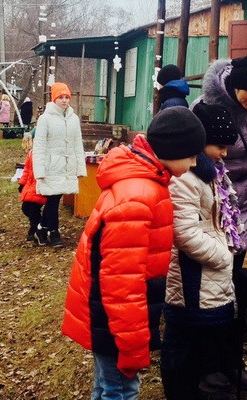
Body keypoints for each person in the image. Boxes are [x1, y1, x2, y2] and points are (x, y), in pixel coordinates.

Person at [61, 106, 207, 400]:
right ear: (173, 149)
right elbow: (122, 281)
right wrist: (131, 343)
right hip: (117, 323)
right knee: (122, 391)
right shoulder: (139, 195)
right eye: (191, 154)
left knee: (106, 386)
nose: (195, 162)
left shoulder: (148, 182)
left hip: (113, 318)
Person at [196, 51, 247, 392]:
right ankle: (205, 364)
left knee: (233, 289)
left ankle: (232, 361)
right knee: (208, 289)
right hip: (212, 210)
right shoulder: (204, 108)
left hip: (244, 213)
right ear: (233, 84)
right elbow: (189, 160)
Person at [161, 102, 240, 400]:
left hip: (205, 273)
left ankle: (191, 389)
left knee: (195, 340)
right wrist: (222, 257)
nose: (225, 153)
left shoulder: (210, 173)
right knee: (181, 340)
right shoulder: (186, 179)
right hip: (191, 275)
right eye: (219, 146)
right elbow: (184, 233)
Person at [32, 82, 86, 247]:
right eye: (60, 97)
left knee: (56, 198)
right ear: (54, 99)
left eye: (66, 97)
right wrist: (39, 170)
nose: (64, 101)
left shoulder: (74, 118)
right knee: (53, 200)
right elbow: (39, 145)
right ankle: (53, 232)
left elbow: (78, 143)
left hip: (67, 166)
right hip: (51, 166)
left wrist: (80, 167)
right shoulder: (45, 119)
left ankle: (41, 228)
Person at [17, 130, 46, 243]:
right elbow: (27, 170)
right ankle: (39, 225)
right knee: (26, 208)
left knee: (33, 209)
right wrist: (22, 183)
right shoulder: (32, 154)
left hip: (40, 186)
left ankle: (34, 229)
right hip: (30, 186)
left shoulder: (45, 154)